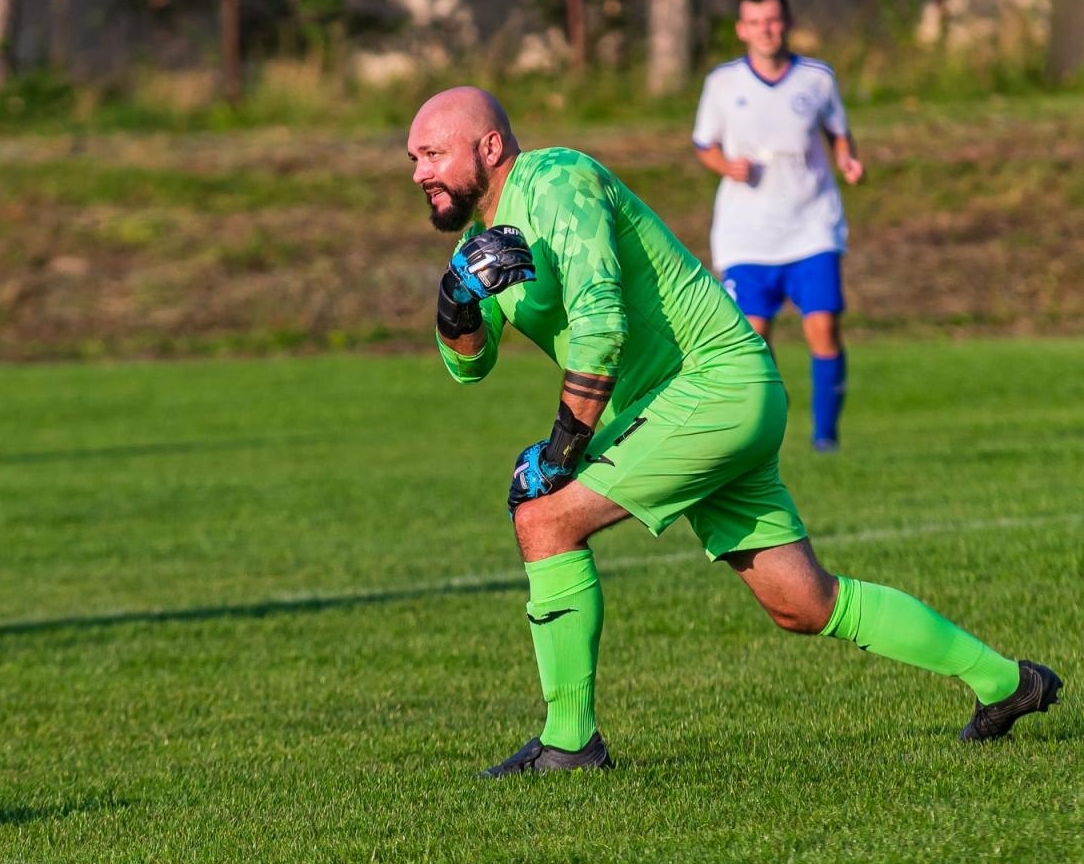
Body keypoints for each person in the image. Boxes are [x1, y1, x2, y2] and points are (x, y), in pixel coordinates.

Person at [408, 86, 1060, 777]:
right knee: (804, 603)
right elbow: (469, 369)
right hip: (695, 404)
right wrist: (455, 303)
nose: (419, 171)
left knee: (545, 519)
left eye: (432, 153)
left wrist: (561, 449)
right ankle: (1007, 683)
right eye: (414, 157)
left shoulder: (558, 179)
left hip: (712, 386)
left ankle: (569, 743)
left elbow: (601, 323)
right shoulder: (487, 242)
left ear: (489, 147)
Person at [692, 0, 862, 452]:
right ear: (742, 29)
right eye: (756, 22)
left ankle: (826, 437)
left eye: (773, 20)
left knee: (823, 328)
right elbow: (704, 144)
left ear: (786, 23)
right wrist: (726, 166)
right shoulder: (723, 83)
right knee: (753, 342)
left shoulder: (817, 78)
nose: (766, 30)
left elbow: (839, 134)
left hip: (811, 225)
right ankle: (770, 423)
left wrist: (847, 161)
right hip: (747, 232)